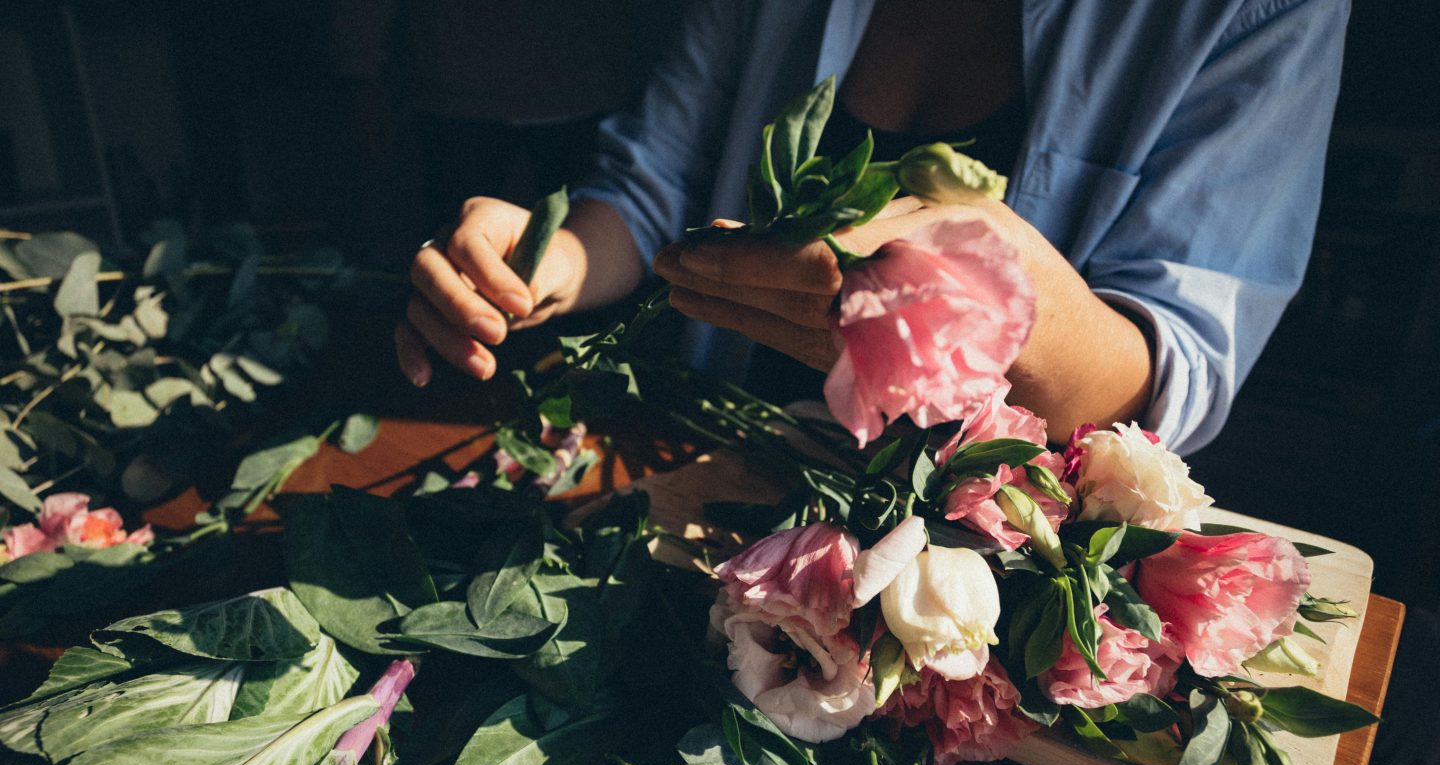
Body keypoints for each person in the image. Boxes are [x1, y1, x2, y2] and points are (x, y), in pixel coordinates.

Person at [395, 0, 1348, 455]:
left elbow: (1174, 368)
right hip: (708, 467)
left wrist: (996, 306)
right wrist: (544, 261)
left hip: (979, 562)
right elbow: (657, 184)